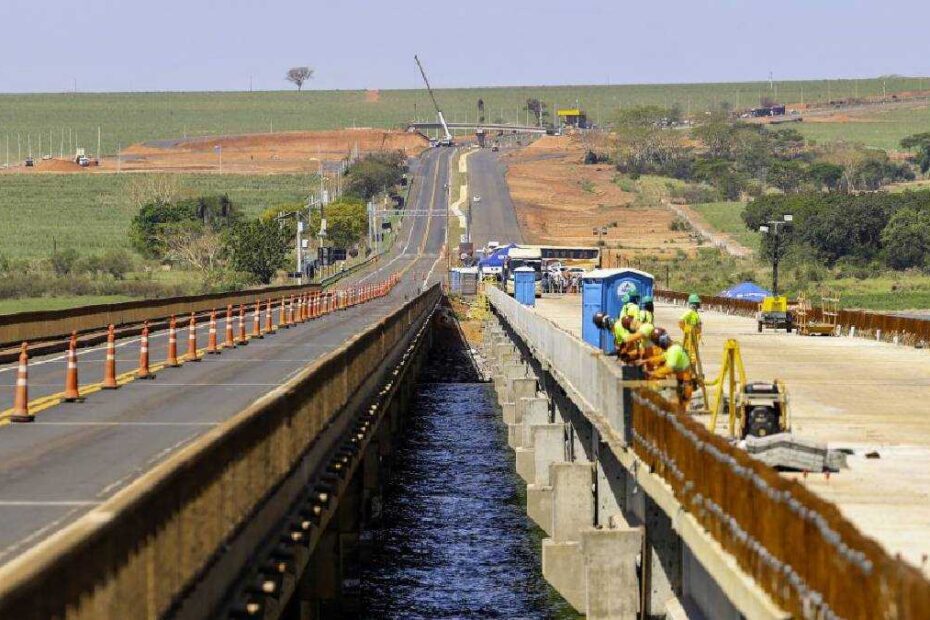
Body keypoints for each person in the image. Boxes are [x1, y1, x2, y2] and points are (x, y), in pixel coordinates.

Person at [642, 330, 693, 411]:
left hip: (684, 383)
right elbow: (663, 357)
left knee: (677, 407)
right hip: (681, 381)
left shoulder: (674, 351)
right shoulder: (673, 348)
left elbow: (668, 369)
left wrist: (652, 373)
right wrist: (647, 361)